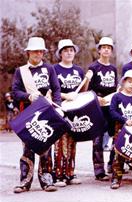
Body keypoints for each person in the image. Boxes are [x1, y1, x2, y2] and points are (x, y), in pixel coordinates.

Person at [12, 37, 61, 193]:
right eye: (35, 51)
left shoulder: (49, 69)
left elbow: (56, 88)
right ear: (28, 52)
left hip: (46, 111)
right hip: (28, 113)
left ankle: (47, 180)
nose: (38, 54)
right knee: (27, 148)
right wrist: (28, 97)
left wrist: (58, 107)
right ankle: (25, 181)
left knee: (46, 147)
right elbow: (15, 92)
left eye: (40, 51)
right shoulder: (20, 71)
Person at [53, 39, 87, 187]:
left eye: (71, 50)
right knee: (60, 143)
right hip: (60, 110)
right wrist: (66, 96)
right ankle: (58, 175)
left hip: (75, 111)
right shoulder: (54, 69)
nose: (69, 53)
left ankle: (70, 173)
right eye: (65, 50)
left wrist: (86, 81)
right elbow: (51, 92)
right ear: (60, 53)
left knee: (73, 142)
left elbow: (83, 91)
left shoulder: (78, 70)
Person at [86, 36, 117, 181]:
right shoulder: (93, 67)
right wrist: (96, 98)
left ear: (111, 51)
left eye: (109, 47)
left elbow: (115, 87)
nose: (106, 50)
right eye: (103, 47)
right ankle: (99, 171)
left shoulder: (113, 68)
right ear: (99, 50)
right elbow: (87, 90)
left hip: (111, 106)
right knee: (98, 139)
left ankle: (113, 164)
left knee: (115, 135)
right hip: (97, 107)